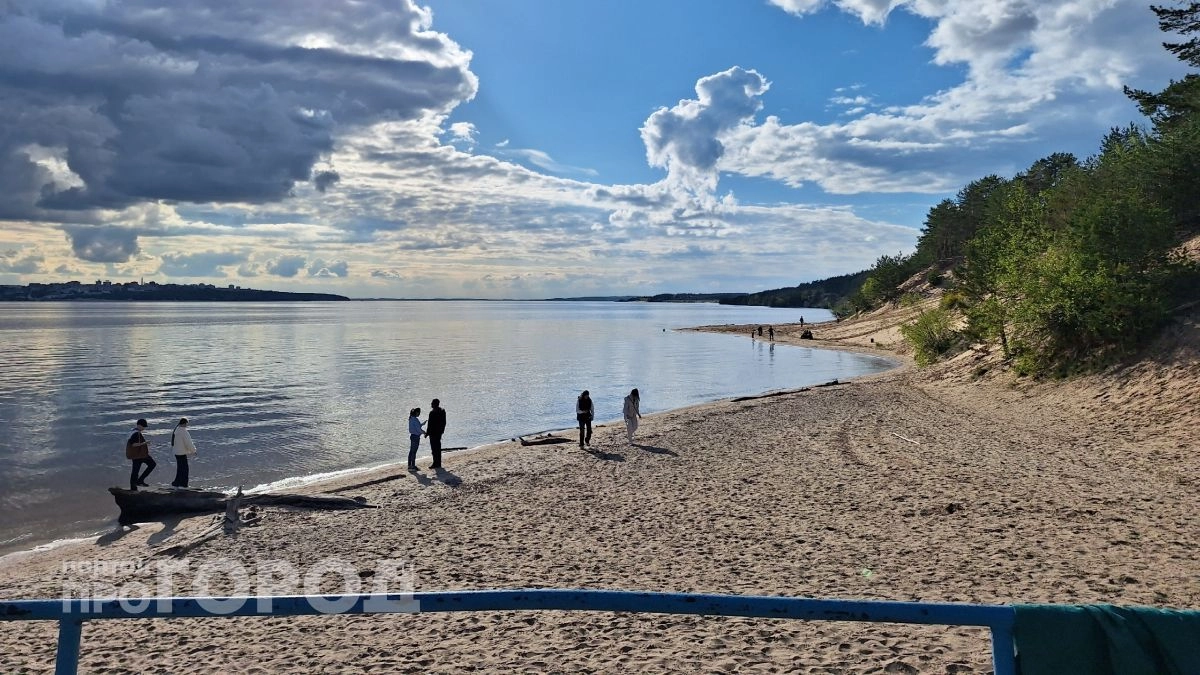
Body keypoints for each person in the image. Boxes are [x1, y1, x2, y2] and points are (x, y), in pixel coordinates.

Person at [126, 418, 154, 490]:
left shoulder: (133, 431)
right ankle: (140, 481)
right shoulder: (136, 434)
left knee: (135, 472)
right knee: (152, 464)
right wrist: (145, 443)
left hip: (136, 455)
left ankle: (133, 487)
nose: (144, 428)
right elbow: (133, 444)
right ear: (138, 425)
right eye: (143, 426)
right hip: (140, 455)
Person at [170, 417, 197, 488]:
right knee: (185, 470)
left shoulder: (176, 430)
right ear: (185, 423)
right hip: (182, 453)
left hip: (176, 452)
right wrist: (193, 451)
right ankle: (184, 484)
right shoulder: (184, 431)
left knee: (180, 469)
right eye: (186, 424)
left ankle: (176, 482)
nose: (187, 426)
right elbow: (188, 443)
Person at [425, 399, 447, 469]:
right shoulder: (442, 411)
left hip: (433, 433)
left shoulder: (432, 413)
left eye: (432, 403)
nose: (431, 404)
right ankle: (438, 463)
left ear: (434, 404)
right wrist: (442, 431)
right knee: (438, 448)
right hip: (439, 433)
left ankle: (435, 463)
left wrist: (427, 433)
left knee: (434, 449)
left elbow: (430, 424)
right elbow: (444, 422)